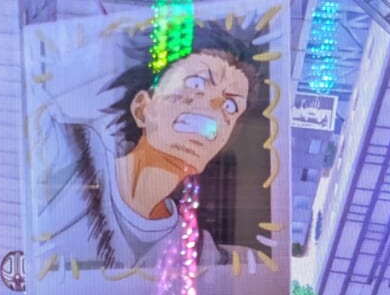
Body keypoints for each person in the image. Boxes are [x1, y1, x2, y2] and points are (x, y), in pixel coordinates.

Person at [37, 20, 273, 274]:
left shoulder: (197, 250)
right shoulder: (71, 150)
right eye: (197, 83)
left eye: (230, 106)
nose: (214, 106)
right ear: (143, 107)